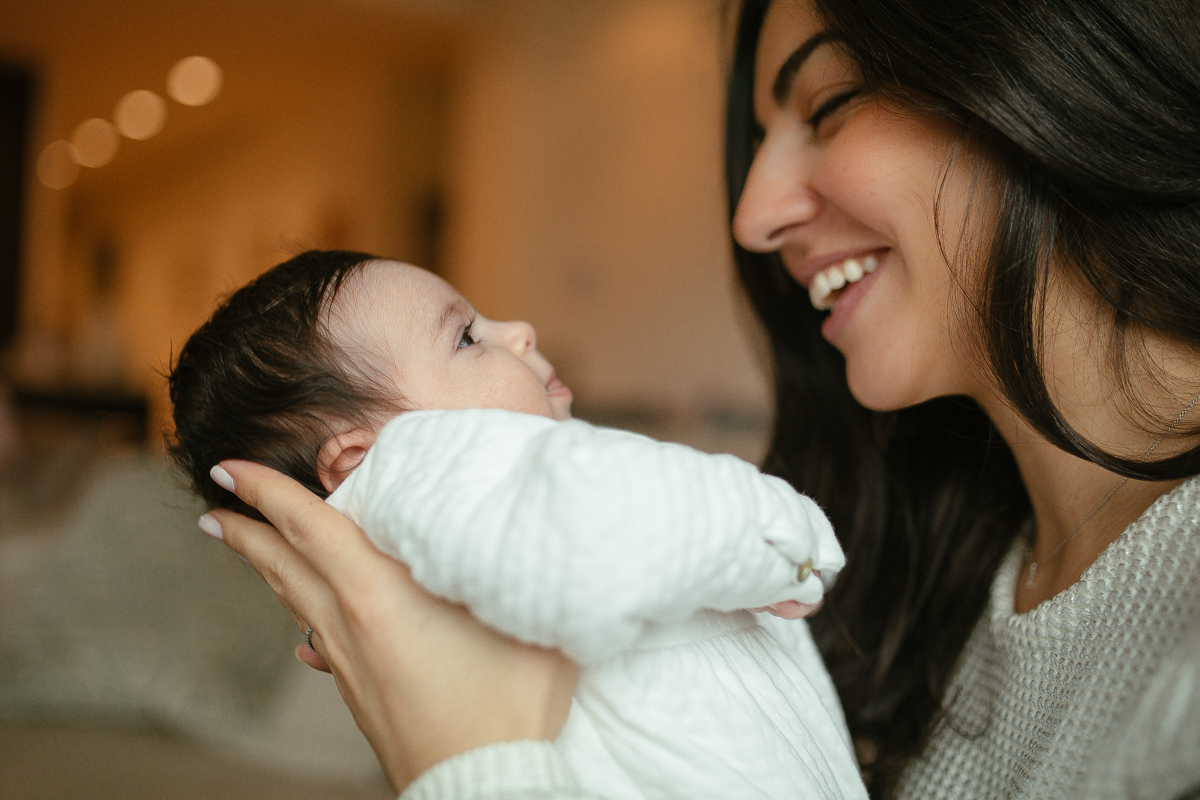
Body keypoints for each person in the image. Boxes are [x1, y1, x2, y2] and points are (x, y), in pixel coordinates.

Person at [198, 0, 1200, 797]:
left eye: (827, 103)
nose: (755, 215)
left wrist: (465, 756)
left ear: (1034, 65)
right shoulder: (934, 564)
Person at [170, 251, 865, 800]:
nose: (518, 331)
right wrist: (783, 541)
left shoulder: (470, 514)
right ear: (361, 459)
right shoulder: (418, 463)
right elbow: (600, 539)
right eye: (468, 336)